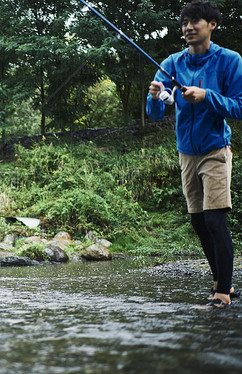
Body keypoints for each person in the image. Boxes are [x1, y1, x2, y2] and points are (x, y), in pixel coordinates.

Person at [146, 1, 242, 308]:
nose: (188, 27)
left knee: (215, 220)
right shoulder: (172, 62)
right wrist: (154, 98)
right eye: (185, 22)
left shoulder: (230, 60)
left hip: (215, 149)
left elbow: (239, 106)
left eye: (195, 21)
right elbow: (156, 112)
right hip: (186, 153)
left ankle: (223, 295)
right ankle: (219, 282)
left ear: (212, 24)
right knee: (199, 222)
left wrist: (207, 96)